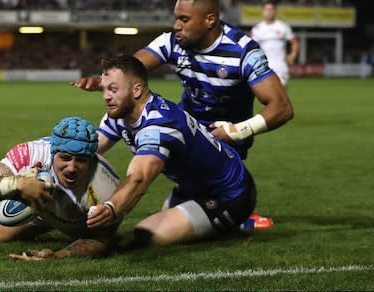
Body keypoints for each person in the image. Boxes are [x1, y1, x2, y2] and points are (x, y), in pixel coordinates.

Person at [71, 0, 294, 230]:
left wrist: (237, 131)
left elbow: (281, 108)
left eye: (184, 19)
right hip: (186, 131)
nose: (176, 25)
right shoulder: (172, 42)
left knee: (214, 188)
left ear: (210, 20)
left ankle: (236, 214)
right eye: (176, 18)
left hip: (225, 138)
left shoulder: (243, 51)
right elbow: (131, 70)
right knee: (169, 213)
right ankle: (223, 213)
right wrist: (105, 81)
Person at [86, 55, 257, 246]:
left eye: (113, 89)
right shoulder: (121, 112)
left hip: (229, 194)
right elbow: (90, 148)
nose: (106, 96)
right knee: (155, 227)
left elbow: (139, 179)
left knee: (145, 234)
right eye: (105, 89)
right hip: (190, 187)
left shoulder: (160, 124)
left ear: (137, 90)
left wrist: (111, 208)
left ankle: (235, 223)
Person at [0, 116, 122, 260]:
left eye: (81, 160)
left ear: (91, 160)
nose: (72, 167)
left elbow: (102, 240)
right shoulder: (30, 154)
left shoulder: (106, 186)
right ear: (53, 153)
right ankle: (44, 223)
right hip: (40, 209)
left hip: (78, 222)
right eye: (65, 158)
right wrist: (18, 183)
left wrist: (59, 254)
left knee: (85, 237)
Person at [251, 0, 300, 86]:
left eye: (271, 9)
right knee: (268, 96)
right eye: (267, 9)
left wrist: (293, 55)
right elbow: (252, 48)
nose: (269, 12)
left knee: (280, 95)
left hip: (281, 67)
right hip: (264, 67)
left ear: (275, 11)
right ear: (263, 12)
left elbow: (294, 42)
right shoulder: (257, 29)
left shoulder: (283, 26)